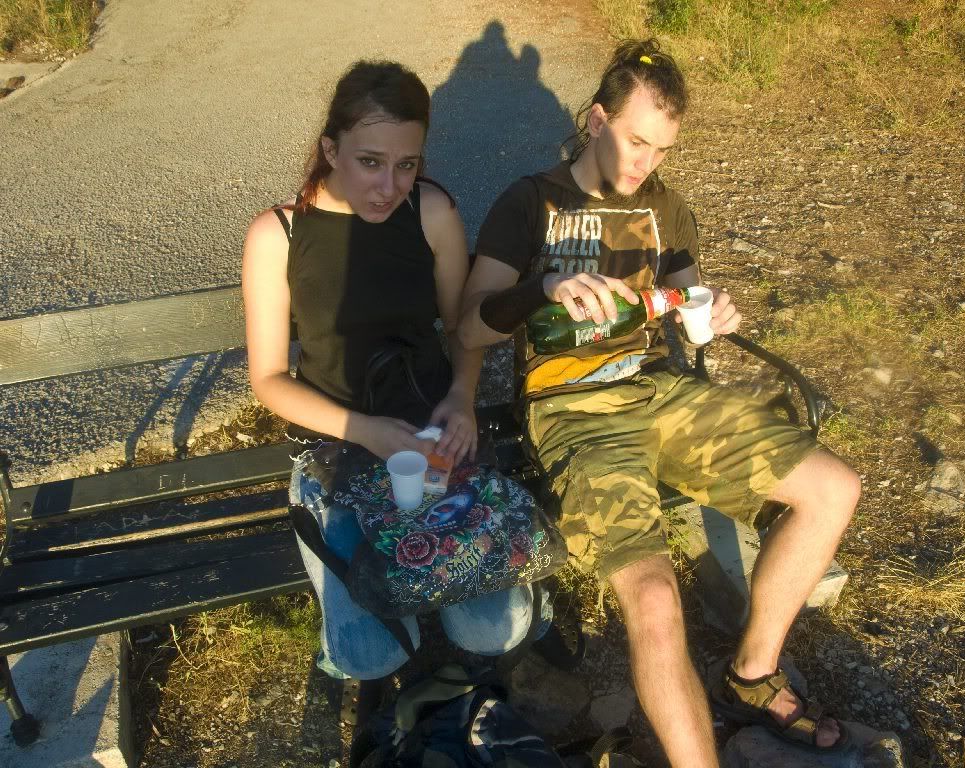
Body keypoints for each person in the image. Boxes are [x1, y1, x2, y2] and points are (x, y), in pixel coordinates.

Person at [457, 39, 860, 766]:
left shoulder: (665, 208)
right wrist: (541, 288)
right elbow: (469, 326)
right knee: (651, 597)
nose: (646, 163)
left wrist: (711, 310)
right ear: (596, 120)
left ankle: (752, 674)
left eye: (662, 149)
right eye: (636, 141)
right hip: (571, 410)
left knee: (833, 488)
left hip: (659, 390)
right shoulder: (531, 203)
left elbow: (686, 295)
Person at [241, 60, 538, 684]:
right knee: (370, 656)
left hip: (430, 432)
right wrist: (365, 430)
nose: (388, 186)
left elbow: (462, 327)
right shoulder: (279, 234)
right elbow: (268, 379)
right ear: (331, 149)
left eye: (407, 165)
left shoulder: (431, 212)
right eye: (370, 162)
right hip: (335, 445)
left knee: (495, 629)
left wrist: (462, 396)